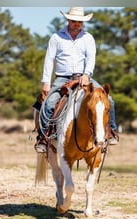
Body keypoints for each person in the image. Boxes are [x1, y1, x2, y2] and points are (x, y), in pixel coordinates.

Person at [35, 7, 118, 153]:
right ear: (68, 20)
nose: (77, 24)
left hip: (84, 77)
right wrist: (46, 83)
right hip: (62, 78)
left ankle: (111, 132)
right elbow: (49, 60)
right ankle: (43, 139)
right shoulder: (56, 37)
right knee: (48, 104)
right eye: (74, 21)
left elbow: (91, 58)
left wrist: (86, 74)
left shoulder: (88, 38)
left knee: (109, 100)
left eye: (80, 21)